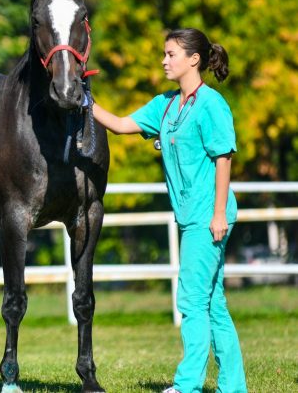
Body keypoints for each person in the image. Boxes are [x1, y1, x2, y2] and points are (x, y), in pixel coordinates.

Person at [87, 28, 247, 393]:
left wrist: (218, 213)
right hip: (191, 215)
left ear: (194, 59)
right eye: (164, 53)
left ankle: (187, 385)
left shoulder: (212, 104)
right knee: (213, 303)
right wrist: (84, 101)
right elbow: (122, 125)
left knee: (191, 300)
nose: (164, 60)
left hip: (208, 215)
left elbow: (224, 158)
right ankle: (234, 386)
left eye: (170, 54)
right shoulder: (165, 104)